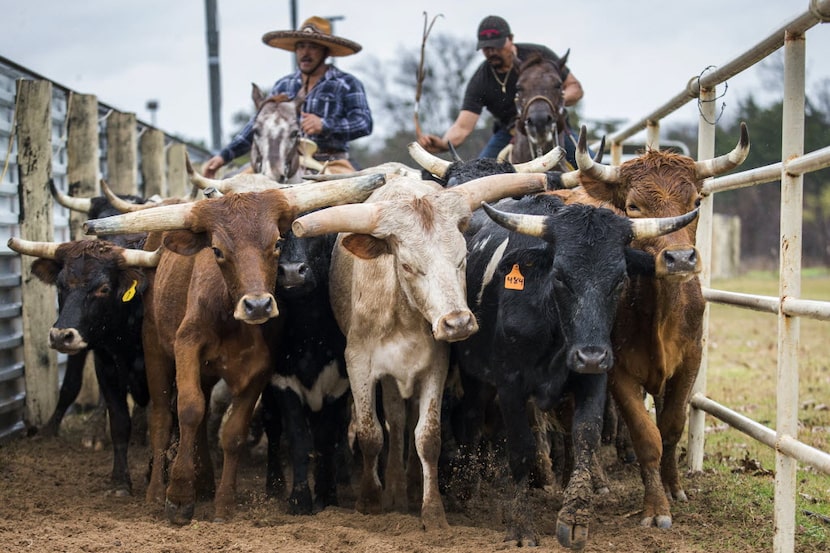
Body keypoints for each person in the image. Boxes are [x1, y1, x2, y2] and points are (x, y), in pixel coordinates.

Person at [203, 16, 373, 177]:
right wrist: (224, 156)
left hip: (332, 162)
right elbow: (258, 124)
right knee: (231, 188)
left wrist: (324, 125)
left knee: (353, 199)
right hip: (281, 162)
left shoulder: (347, 83)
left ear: (326, 52)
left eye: (313, 47)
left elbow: (363, 123)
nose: (305, 53)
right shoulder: (283, 85)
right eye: (301, 47)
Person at [418, 15, 584, 161]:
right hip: (508, 133)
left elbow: (575, 88)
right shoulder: (481, 79)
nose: (491, 52)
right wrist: (441, 144)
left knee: (594, 172)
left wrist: (551, 101)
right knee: (477, 175)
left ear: (510, 38)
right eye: (486, 48)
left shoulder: (539, 54)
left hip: (553, 126)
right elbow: (462, 127)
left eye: (496, 46)